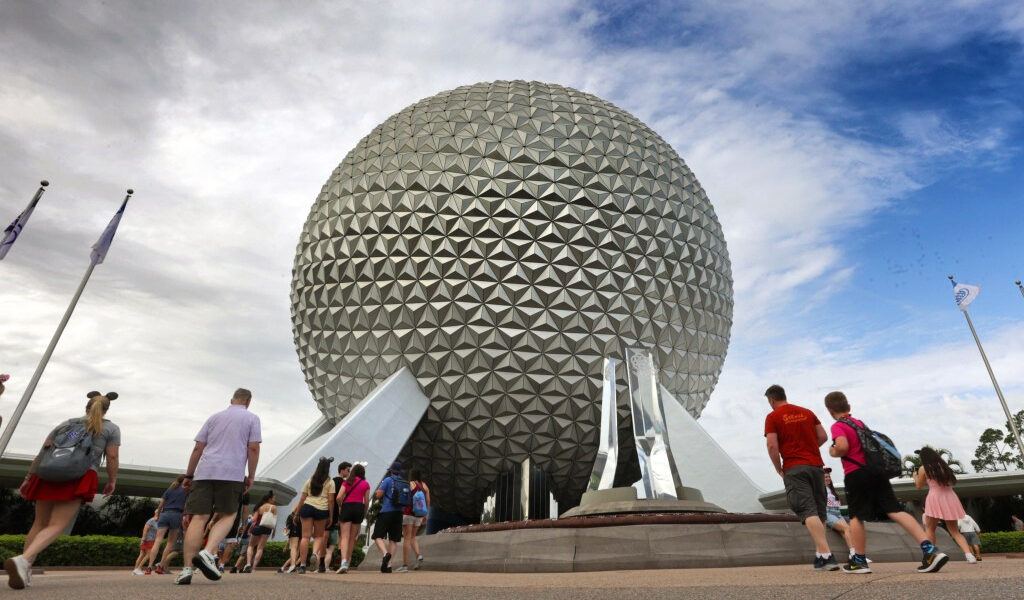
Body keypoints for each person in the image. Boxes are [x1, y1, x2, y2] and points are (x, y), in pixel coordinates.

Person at [5, 391, 121, 590]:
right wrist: (112, 480)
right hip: (80, 474)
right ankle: (23, 560)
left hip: (48, 472)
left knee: (39, 523)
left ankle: (26, 569)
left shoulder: (65, 424)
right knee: (57, 525)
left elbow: (43, 452)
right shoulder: (110, 428)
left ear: (87, 406)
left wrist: (28, 477)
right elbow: (112, 457)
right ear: (107, 409)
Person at [824, 391, 948, 574]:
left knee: (857, 516)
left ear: (829, 410)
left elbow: (842, 447)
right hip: (877, 472)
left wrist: (832, 451)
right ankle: (930, 550)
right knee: (895, 510)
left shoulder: (838, 426)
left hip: (857, 474)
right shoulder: (860, 424)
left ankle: (858, 561)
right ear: (849, 407)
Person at [174, 388, 261, 585]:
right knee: (228, 515)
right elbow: (253, 448)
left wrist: (189, 474)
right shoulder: (252, 419)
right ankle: (207, 552)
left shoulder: (213, 418)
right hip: (231, 474)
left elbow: (198, 447)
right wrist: (252, 476)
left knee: (198, 518)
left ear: (232, 400)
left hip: (205, 472)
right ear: (248, 402)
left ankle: (187, 570)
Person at [762, 384, 838, 571]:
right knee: (819, 511)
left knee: (807, 509)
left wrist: (779, 468)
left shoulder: (773, 417)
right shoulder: (807, 412)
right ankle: (820, 555)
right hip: (815, 466)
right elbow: (823, 436)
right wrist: (810, 447)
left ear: (772, 400)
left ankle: (828, 555)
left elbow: (772, 445)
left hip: (794, 467)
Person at [913, 446, 976, 563]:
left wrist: (915, 476)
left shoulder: (924, 468)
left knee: (930, 529)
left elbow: (919, 486)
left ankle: (931, 557)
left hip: (935, 498)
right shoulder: (944, 466)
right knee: (955, 531)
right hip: (950, 497)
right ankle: (969, 555)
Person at [291, 457, 336, 574]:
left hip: (307, 508)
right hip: (322, 510)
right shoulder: (330, 482)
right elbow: (331, 501)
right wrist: (330, 516)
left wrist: (296, 513)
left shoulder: (310, 480)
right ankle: (315, 554)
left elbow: (302, 498)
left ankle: (302, 565)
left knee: (305, 537)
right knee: (319, 536)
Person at [147, 475, 189, 574]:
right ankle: (160, 566)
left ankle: (149, 567)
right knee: (170, 543)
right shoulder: (187, 491)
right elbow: (186, 505)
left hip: (164, 514)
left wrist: (157, 515)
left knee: (157, 541)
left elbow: (161, 503)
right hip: (177, 515)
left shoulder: (170, 489)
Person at [372, 461, 408, 574]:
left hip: (387, 511)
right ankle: (389, 565)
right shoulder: (404, 482)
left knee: (377, 536)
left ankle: (385, 554)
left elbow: (378, 495)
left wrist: (378, 489)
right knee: (393, 539)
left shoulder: (388, 480)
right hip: (399, 513)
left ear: (391, 471)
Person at [335, 463, 370, 574]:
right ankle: (348, 562)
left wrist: (341, 506)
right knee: (352, 538)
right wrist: (364, 513)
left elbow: (339, 497)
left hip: (347, 507)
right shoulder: (366, 484)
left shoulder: (347, 482)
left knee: (345, 536)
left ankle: (343, 561)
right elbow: (367, 501)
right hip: (359, 508)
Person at [321, 461, 351, 572]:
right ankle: (333, 563)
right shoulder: (345, 484)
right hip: (338, 514)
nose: (349, 472)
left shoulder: (331, 481)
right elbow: (341, 499)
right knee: (337, 541)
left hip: (328, 513)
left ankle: (322, 565)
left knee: (323, 541)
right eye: (348, 470)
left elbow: (329, 498)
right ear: (342, 470)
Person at [823, 468, 857, 561]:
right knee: (847, 528)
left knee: (846, 531)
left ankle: (854, 554)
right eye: (825, 477)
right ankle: (855, 555)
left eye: (829, 476)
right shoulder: (819, 490)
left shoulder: (831, 490)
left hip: (837, 513)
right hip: (828, 513)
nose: (828, 478)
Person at [400, 468, 430, 572]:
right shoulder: (424, 485)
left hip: (408, 514)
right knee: (413, 537)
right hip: (419, 515)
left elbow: (404, 498)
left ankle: (405, 565)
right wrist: (425, 515)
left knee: (407, 538)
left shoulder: (410, 484)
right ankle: (418, 555)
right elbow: (428, 500)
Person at [243, 491, 277, 572]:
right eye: (274, 498)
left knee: (251, 546)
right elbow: (274, 520)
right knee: (260, 548)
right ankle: (253, 568)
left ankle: (248, 564)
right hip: (267, 528)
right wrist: (274, 531)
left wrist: (250, 516)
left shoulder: (260, 507)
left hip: (257, 527)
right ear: (269, 499)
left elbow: (254, 519)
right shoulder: (274, 507)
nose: (275, 499)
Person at [220, 492, 250, 572]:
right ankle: (222, 565)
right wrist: (243, 524)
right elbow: (245, 510)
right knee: (229, 542)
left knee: (216, 539)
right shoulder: (244, 492)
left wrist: (212, 519)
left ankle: (214, 558)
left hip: (221, 515)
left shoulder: (225, 485)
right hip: (234, 518)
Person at [134, 509, 161, 575]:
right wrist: (143, 539)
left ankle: (135, 570)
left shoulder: (158, 522)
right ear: (156, 513)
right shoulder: (151, 520)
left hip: (151, 540)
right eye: (160, 513)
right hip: (148, 540)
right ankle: (138, 569)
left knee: (142, 554)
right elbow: (145, 530)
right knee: (148, 555)